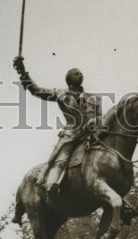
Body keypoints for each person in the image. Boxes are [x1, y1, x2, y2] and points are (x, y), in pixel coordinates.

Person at [13, 57, 102, 197]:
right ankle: (51, 185)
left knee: (108, 156)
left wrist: (96, 120)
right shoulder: (61, 94)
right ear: (69, 79)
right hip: (71, 135)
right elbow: (37, 90)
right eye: (76, 74)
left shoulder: (93, 98)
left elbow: (101, 117)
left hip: (92, 134)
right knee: (61, 160)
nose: (80, 75)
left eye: (81, 74)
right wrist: (23, 72)